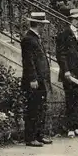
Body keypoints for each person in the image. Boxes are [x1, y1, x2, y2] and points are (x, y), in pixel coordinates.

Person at [20, 12, 53, 147]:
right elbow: (28, 61)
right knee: (33, 109)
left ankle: (39, 135)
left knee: (41, 108)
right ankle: (30, 137)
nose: (44, 28)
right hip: (33, 81)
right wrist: (33, 78)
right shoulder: (28, 39)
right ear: (38, 25)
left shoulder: (35, 38)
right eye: (43, 25)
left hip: (40, 80)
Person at [56, 8, 78, 138]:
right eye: (76, 19)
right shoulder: (64, 34)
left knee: (77, 99)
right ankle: (70, 127)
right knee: (70, 100)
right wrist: (66, 71)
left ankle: (75, 126)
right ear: (71, 20)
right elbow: (61, 55)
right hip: (69, 73)